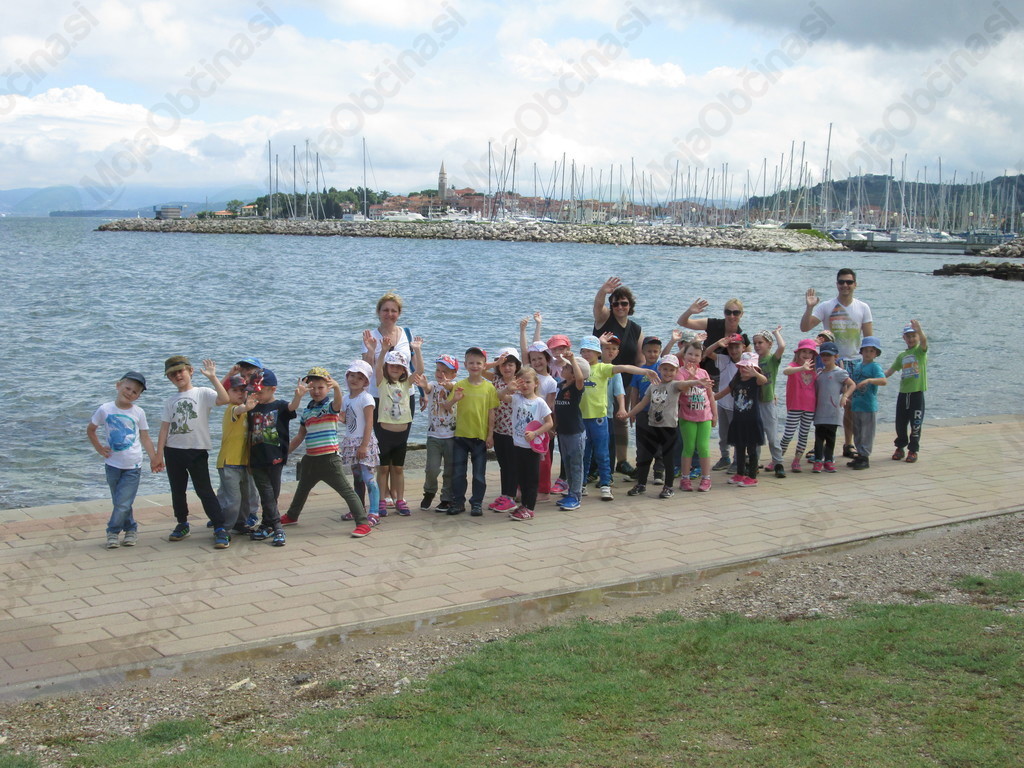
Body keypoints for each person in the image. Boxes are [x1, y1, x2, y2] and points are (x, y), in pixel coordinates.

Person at [281, 367, 372, 538]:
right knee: (302, 489)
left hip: (329, 459)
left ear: (328, 388)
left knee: (347, 491)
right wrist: (284, 454)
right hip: (310, 460)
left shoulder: (330, 407)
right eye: (312, 387)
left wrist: (337, 388)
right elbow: (300, 436)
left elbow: (338, 403)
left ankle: (363, 523)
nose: (316, 391)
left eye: (321, 387)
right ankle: (292, 515)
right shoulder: (307, 411)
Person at [157, 356, 230, 547]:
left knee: (204, 490)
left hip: (197, 451)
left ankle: (219, 526)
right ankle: (182, 523)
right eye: (172, 374)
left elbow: (225, 399)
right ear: (169, 378)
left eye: (180, 371)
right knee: (177, 490)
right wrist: (158, 455)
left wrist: (213, 377)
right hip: (173, 451)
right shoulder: (170, 401)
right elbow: (164, 429)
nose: (177, 376)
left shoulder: (202, 393)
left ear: (190, 371)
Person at [800, 268, 873, 457]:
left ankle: (848, 444)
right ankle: (819, 444)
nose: (845, 285)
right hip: (828, 362)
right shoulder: (826, 306)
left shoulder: (863, 307)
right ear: (837, 284)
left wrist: (868, 365)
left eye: (849, 282)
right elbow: (805, 327)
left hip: (854, 361)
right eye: (841, 282)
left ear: (855, 284)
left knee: (849, 405)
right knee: (823, 403)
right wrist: (809, 308)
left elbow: (868, 339)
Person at [579, 334, 659, 502]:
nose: (586, 354)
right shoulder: (578, 368)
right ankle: (582, 484)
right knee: (584, 454)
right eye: (583, 351)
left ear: (597, 353)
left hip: (599, 419)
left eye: (590, 351)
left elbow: (624, 368)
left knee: (603, 453)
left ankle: (605, 485)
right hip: (582, 419)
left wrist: (644, 371)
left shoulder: (603, 368)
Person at [88, 371, 161, 549]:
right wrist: (99, 448)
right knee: (120, 502)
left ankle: (112, 532)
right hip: (112, 464)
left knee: (123, 502)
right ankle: (131, 528)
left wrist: (154, 458)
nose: (130, 393)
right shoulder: (105, 409)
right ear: (118, 385)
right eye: (128, 388)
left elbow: (145, 437)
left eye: (135, 392)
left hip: (133, 466)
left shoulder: (138, 412)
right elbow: (91, 429)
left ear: (138, 396)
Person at [360, 291, 416, 508]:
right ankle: (384, 494)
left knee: (400, 444)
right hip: (378, 396)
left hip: (405, 396)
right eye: (385, 310)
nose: (389, 314)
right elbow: (366, 369)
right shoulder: (371, 336)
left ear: (399, 313)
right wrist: (371, 350)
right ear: (378, 312)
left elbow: (412, 367)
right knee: (382, 447)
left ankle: (396, 493)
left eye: (394, 310)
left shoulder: (406, 334)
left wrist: (422, 394)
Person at [366, 332, 425, 516]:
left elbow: (419, 370)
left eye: (399, 366)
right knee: (383, 468)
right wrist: (383, 351)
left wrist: (417, 350)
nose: (395, 369)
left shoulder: (406, 384)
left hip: (401, 433)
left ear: (404, 370)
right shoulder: (382, 383)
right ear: (387, 367)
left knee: (398, 469)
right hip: (385, 433)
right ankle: (381, 501)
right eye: (392, 365)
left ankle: (400, 499)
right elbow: (377, 367)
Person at [238, 369, 296, 547]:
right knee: (266, 493)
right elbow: (248, 433)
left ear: (273, 389)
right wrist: (247, 459)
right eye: (253, 392)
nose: (257, 395)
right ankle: (278, 528)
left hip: (276, 458)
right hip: (256, 459)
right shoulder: (251, 408)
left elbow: (292, 408)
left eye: (260, 392)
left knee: (273, 494)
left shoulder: (279, 406)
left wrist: (299, 395)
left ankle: (267, 524)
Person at [594, 277, 644, 475]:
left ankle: (621, 461)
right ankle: (597, 463)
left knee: (621, 420)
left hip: (625, 382)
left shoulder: (636, 329)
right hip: (599, 380)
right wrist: (603, 291)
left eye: (624, 303)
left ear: (630, 305)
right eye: (616, 303)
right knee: (598, 419)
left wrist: (639, 385)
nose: (620, 307)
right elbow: (597, 307)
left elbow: (640, 360)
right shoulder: (605, 319)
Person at [625, 355, 691, 498]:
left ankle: (668, 487)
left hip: (669, 429)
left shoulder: (675, 385)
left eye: (672, 370)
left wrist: (697, 380)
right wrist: (629, 414)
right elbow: (642, 403)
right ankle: (641, 484)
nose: (668, 372)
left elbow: (685, 385)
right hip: (652, 426)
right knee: (645, 457)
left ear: (676, 371)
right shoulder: (653, 385)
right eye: (665, 369)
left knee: (668, 459)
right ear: (659, 369)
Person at [447, 346, 499, 516]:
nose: (475, 366)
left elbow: (491, 413)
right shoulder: (459, 385)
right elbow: (446, 406)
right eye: (471, 363)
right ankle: (458, 502)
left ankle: (476, 503)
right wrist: (454, 399)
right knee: (458, 473)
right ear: (465, 365)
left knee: (479, 474)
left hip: (480, 437)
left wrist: (490, 435)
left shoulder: (489, 388)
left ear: (484, 365)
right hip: (461, 436)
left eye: (478, 363)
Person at [497, 368, 554, 520]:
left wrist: (536, 433)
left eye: (528, 382)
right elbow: (500, 396)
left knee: (531, 479)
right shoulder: (516, 398)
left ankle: (530, 508)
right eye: (521, 382)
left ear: (536, 383)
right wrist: (508, 388)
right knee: (521, 477)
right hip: (517, 445)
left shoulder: (540, 402)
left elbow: (549, 423)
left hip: (532, 447)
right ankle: (523, 505)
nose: (525, 385)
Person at [215, 374, 260, 534]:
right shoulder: (232, 409)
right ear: (227, 393)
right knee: (233, 500)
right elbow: (239, 409)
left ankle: (240, 523)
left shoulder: (247, 411)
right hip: (229, 463)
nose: (240, 393)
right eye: (235, 390)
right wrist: (246, 407)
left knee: (245, 499)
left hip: (243, 463)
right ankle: (223, 528)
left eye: (243, 390)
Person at [414, 354, 458, 513]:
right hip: (433, 436)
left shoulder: (456, 386)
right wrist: (423, 386)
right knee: (432, 468)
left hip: (451, 436)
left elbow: (451, 387)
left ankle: (446, 498)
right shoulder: (433, 385)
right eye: (438, 370)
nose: (440, 374)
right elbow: (428, 388)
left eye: (445, 371)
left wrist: (448, 384)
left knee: (449, 470)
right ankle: (429, 492)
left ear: (453, 374)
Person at [716, 353, 768, 487]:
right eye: (742, 366)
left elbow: (764, 380)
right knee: (739, 449)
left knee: (752, 450)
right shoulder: (736, 382)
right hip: (738, 421)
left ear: (755, 368)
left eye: (748, 367)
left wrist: (755, 374)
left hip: (752, 422)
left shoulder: (755, 381)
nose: (744, 369)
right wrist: (707, 396)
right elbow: (721, 394)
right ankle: (740, 473)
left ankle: (752, 477)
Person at [340, 360, 381, 524]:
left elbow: (369, 423)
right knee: (357, 477)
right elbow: (347, 419)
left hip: (365, 442)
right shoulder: (345, 398)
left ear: (366, 382)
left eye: (360, 377)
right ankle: (358, 508)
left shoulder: (367, 398)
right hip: (351, 442)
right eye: (352, 376)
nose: (354, 380)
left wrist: (364, 445)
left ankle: (374, 512)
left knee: (368, 477)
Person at [484, 347, 522, 513]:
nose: (507, 368)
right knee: (503, 465)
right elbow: (480, 368)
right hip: (498, 429)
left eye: (510, 364)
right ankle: (505, 494)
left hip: (514, 432)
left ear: (517, 366)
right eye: (503, 364)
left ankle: (511, 497)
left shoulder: (521, 381)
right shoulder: (495, 379)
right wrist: (496, 362)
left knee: (512, 465)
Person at [675, 340, 717, 492]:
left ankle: (706, 478)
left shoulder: (704, 373)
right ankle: (685, 479)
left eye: (697, 355)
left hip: (704, 416)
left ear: (701, 357)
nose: (693, 357)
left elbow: (710, 395)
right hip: (687, 417)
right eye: (690, 354)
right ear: (684, 355)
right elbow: (681, 391)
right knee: (689, 447)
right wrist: (691, 378)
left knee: (703, 447)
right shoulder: (679, 373)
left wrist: (714, 415)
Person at [886, 320, 929, 463]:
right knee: (900, 423)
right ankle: (900, 447)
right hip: (903, 394)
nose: (911, 339)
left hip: (917, 393)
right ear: (904, 338)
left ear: (918, 337)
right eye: (908, 336)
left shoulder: (920, 352)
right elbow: (890, 371)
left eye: (913, 336)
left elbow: (924, 342)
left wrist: (920, 330)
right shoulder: (902, 356)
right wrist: (873, 378)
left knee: (915, 423)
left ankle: (913, 450)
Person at [704, 332, 746, 471]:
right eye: (731, 347)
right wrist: (718, 343)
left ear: (743, 347)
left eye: (737, 347)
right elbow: (706, 353)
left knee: (738, 435)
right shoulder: (724, 360)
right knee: (723, 435)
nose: (733, 351)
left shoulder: (747, 362)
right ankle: (725, 457)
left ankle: (738, 460)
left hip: (737, 406)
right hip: (722, 404)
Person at [677, 297, 745, 383]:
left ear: (741, 314)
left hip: (726, 376)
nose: (732, 316)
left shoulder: (742, 336)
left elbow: (746, 360)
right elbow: (682, 322)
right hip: (703, 372)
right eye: (728, 312)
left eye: (736, 313)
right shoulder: (712, 324)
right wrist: (689, 312)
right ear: (724, 313)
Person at [811, 342, 855, 473]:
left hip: (833, 411)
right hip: (820, 412)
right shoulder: (819, 374)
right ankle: (818, 460)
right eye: (823, 355)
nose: (825, 358)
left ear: (835, 356)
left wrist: (845, 396)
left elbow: (852, 384)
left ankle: (828, 460)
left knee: (830, 437)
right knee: (819, 438)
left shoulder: (840, 372)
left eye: (828, 355)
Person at [552, 351, 588, 511]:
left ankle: (576, 496)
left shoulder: (576, 387)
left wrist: (573, 360)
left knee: (576, 464)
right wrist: (554, 427)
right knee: (567, 464)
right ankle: (570, 492)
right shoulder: (561, 386)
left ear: (574, 374)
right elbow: (557, 409)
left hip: (575, 432)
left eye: (567, 367)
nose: (563, 368)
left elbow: (580, 378)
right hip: (563, 431)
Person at [629, 335, 666, 483]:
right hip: (642, 412)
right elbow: (634, 391)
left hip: (660, 412)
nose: (652, 354)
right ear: (643, 352)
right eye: (649, 351)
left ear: (659, 352)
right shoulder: (639, 371)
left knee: (659, 442)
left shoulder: (662, 368)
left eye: (656, 351)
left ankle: (659, 471)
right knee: (642, 442)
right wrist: (633, 411)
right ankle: (640, 469)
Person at [779, 339, 819, 473]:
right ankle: (777, 459)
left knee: (803, 435)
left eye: (810, 352)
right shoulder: (793, 365)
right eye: (804, 352)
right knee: (788, 435)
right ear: (798, 353)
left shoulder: (815, 370)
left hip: (810, 407)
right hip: (795, 405)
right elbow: (786, 371)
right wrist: (802, 368)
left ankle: (797, 460)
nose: (807, 355)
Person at [848, 336, 887, 469]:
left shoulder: (875, 367)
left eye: (871, 351)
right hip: (856, 404)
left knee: (867, 432)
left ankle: (865, 456)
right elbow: (853, 382)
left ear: (876, 353)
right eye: (866, 350)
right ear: (861, 351)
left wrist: (869, 380)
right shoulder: (858, 366)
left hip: (868, 405)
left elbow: (883, 380)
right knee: (857, 431)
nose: (868, 353)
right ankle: (859, 454)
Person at [753, 327, 787, 479]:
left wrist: (776, 333)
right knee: (756, 437)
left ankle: (778, 463)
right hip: (755, 403)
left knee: (772, 437)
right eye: (755, 343)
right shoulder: (753, 360)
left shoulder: (772, 360)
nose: (757, 345)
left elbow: (782, 346)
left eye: (760, 342)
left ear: (769, 344)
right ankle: (754, 464)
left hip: (767, 403)